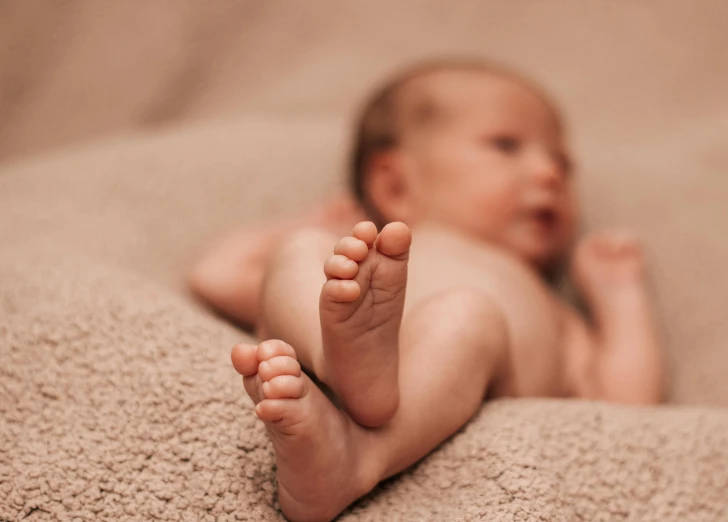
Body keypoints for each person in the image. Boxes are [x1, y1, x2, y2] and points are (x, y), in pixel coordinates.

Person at [190, 59, 664, 522]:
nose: (550, 174)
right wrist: (307, 224)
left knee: (467, 315)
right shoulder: (356, 257)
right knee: (299, 252)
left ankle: (356, 457)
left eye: (561, 162)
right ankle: (332, 352)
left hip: (456, 364)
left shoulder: (548, 305)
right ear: (395, 185)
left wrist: (619, 296)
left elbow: (625, 405)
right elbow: (218, 273)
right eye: (506, 145)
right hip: (340, 324)